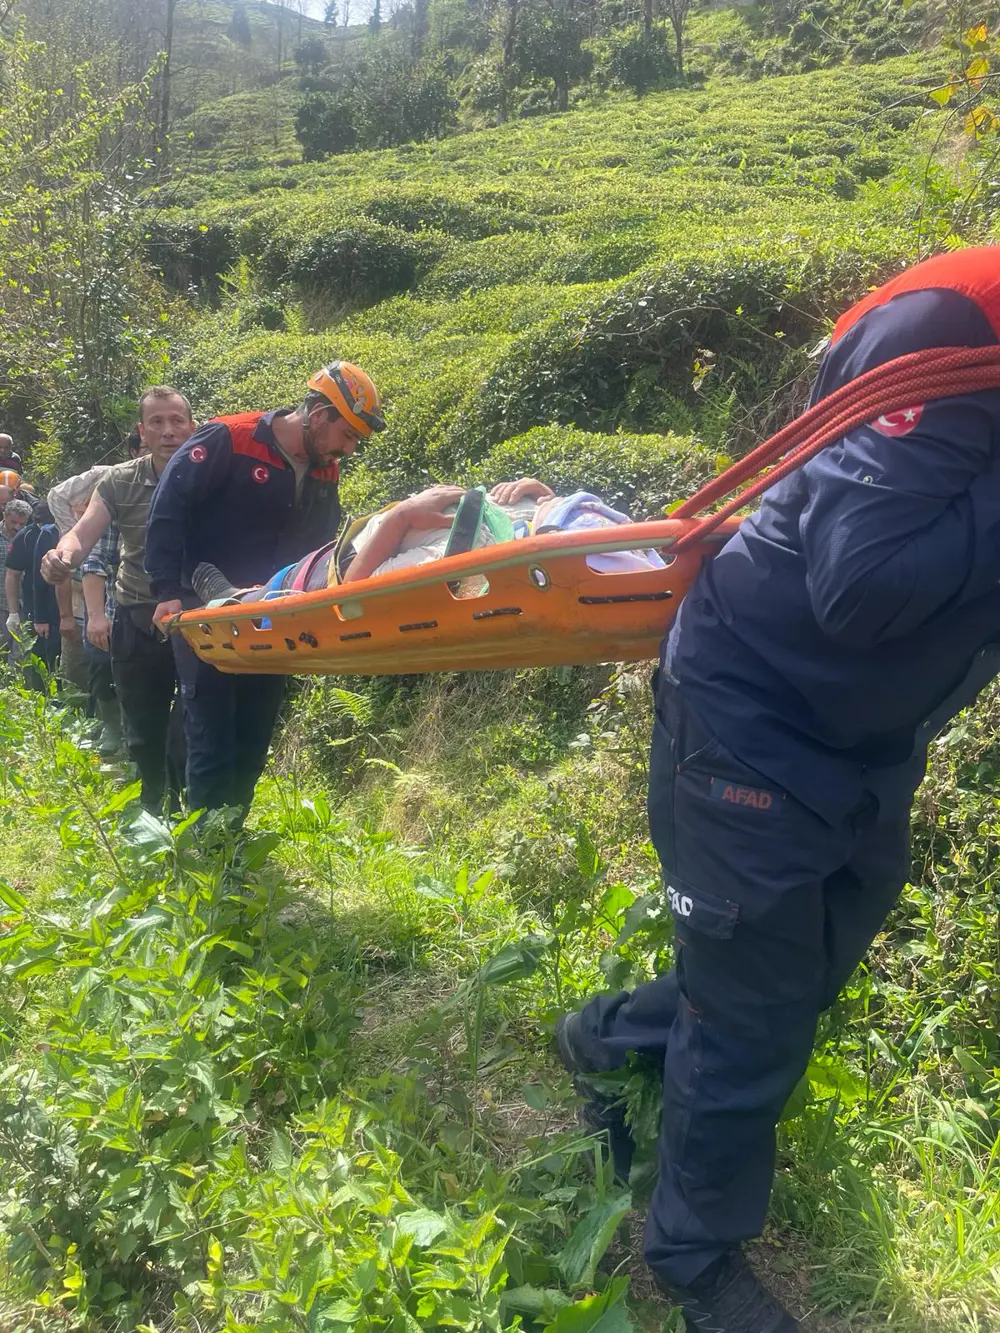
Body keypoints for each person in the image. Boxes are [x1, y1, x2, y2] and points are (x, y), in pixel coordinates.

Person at [554, 245, 1000, 1333]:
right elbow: (863, 581)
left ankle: (605, 1038)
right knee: (753, 1008)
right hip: (753, 712)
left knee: (798, 974)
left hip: (865, 735)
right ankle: (691, 1251)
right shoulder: (949, 326)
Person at [146, 360, 385, 818]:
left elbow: (317, 548)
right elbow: (168, 507)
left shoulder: (324, 468)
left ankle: (233, 831)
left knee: (254, 729)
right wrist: (165, 589)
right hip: (206, 606)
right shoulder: (228, 439)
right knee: (211, 725)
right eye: (348, 435)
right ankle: (207, 847)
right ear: (318, 417)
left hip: (273, 612)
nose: (350, 450)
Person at [40, 387, 194, 810]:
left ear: (192, 426)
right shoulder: (120, 480)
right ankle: (151, 804)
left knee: (192, 723)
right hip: (137, 615)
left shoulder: (211, 477)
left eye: (177, 420)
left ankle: (185, 805)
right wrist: (63, 556)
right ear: (143, 431)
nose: (168, 430)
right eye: (157, 422)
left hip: (197, 619)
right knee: (142, 724)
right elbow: (84, 532)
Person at [191, 479, 667, 606]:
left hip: (325, 575)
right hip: (340, 550)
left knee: (266, 596)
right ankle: (239, 593)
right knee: (272, 583)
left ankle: (233, 598)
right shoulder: (515, 518)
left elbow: (352, 593)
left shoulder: (459, 557)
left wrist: (400, 517)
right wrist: (538, 494)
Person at [0, 499, 32, 664]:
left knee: (20, 654)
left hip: (23, 604)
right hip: (0, 603)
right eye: (13, 522)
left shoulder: (29, 538)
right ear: (5, 515)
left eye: (22, 523)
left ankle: (16, 686)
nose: (17, 527)